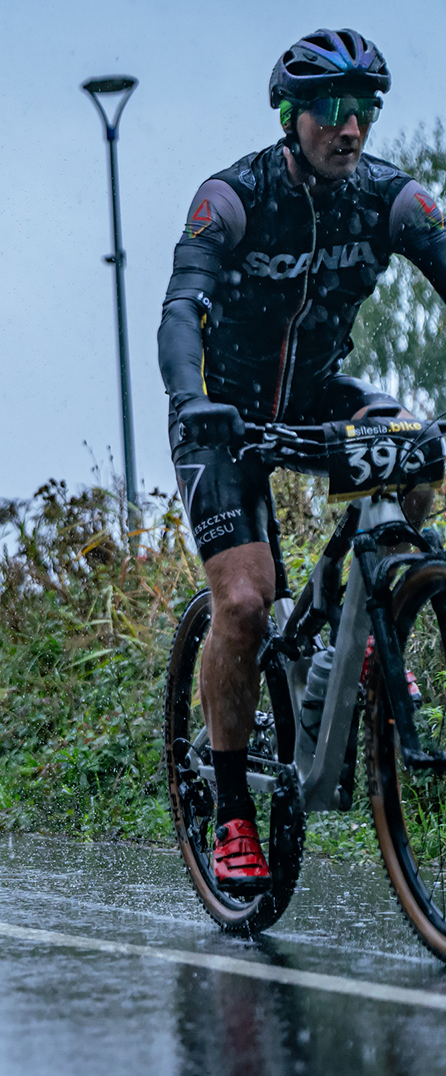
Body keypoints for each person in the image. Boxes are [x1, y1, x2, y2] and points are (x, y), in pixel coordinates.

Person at [159, 28, 446, 886]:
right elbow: (181, 311)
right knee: (246, 602)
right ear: (291, 116)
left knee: (416, 450)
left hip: (318, 393)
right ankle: (232, 810)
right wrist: (190, 399)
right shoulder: (232, 198)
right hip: (224, 414)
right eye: (331, 108)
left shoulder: (392, 200)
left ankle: (364, 631)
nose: (350, 127)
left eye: (364, 110)